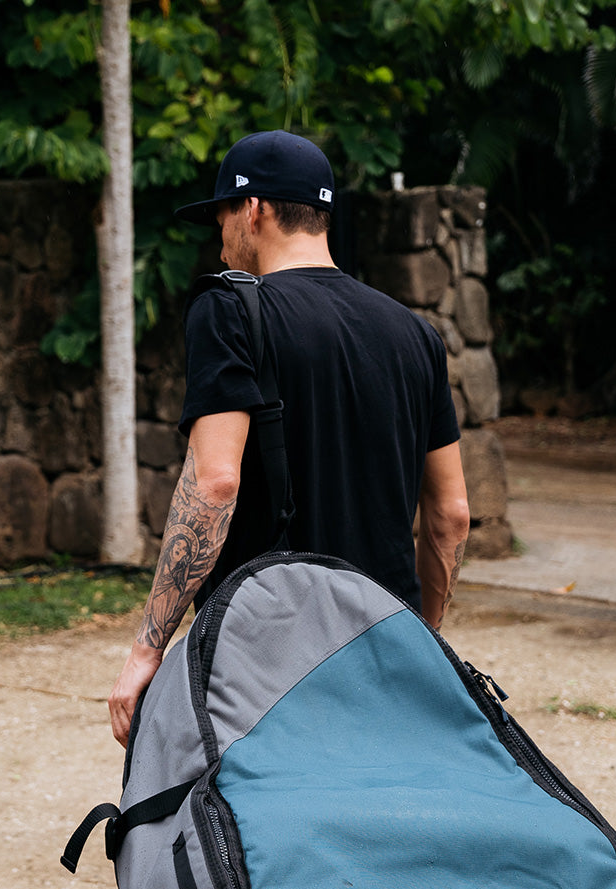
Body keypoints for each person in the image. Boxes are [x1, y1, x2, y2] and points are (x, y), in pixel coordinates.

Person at [108, 130, 470, 747]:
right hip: (387, 648)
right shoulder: (415, 334)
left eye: (221, 216)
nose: (221, 239)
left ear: (254, 210)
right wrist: (420, 643)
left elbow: (215, 483)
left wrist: (148, 649)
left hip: (263, 658)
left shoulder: (228, 310)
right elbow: (452, 517)